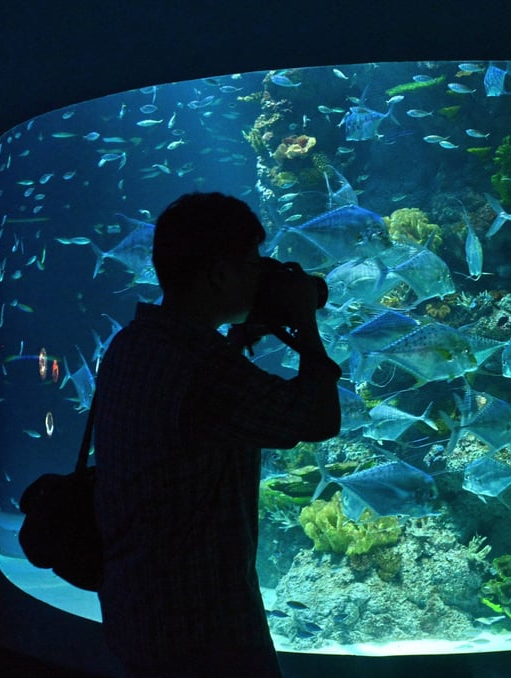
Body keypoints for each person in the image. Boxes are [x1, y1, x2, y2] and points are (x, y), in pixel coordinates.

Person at [93, 192, 342, 677]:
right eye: (251, 263)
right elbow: (317, 419)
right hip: (204, 624)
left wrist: (236, 339)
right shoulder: (203, 367)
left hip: (135, 604)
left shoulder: (132, 342)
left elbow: (191, 428)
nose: (260, 275)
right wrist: (305, 322)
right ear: (218, 273)